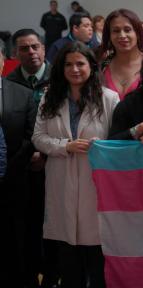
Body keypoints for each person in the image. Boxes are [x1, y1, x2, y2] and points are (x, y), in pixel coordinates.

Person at [32, 41, 118, 288]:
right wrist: (65, 146)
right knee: (69, 263)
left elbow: (118, 140)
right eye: (68, 64)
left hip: (96, 185)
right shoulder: (50, 97)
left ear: (91, 66)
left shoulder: (109, 98)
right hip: (61, 182)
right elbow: (38, 137)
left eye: (80, 63)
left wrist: (101, 147)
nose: (75, 69)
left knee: (97, 260)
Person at [7, 28, 59, 288]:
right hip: (20, 169)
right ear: (15, 54)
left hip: (56, 162)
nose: (31, 52)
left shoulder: (59, 77)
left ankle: (52, 272)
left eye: (35, 46)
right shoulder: (10, 81)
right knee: (27, 224)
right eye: (24, 49)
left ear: (42, 47)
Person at [0, 39, 37, 288]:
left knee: (16, 241)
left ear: (3, 61)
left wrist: (10, 170)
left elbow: (31, 135)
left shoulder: (21, 93)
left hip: (14, 180)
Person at [99, 9, 143, 100]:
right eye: (116, 31)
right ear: (109, 35)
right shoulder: (101, 68)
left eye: (127, 30)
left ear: (137, 33)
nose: (122, 35)